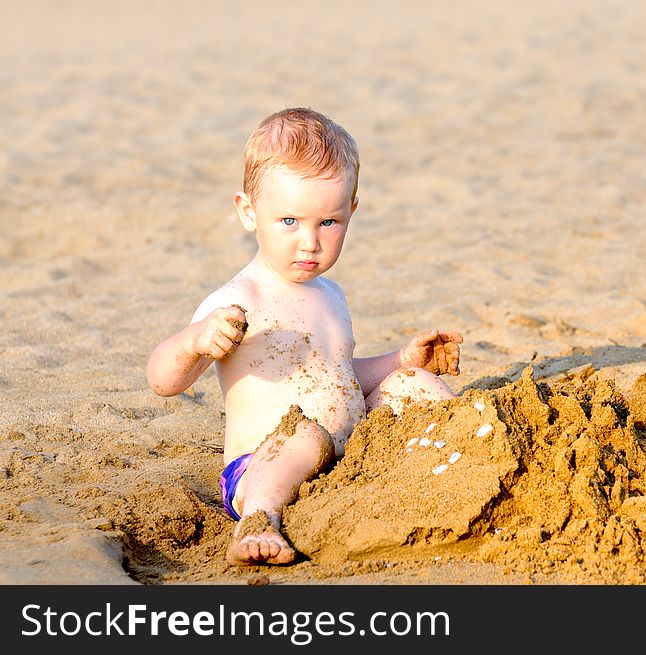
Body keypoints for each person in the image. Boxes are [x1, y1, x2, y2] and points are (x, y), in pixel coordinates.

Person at [146, 107, 463, 566]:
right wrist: (195, 340)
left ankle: (459, 464)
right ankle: (258, 521)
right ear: (249, 212)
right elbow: (162, 380)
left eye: (328, 223)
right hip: (263, 466)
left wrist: (400, 361)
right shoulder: (240, 299)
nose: (310, 242)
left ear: (351, 211)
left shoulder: (330, 294)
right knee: (306, 436)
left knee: (414, 387)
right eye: (289, 222)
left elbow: (338, 379)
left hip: (345, 455)